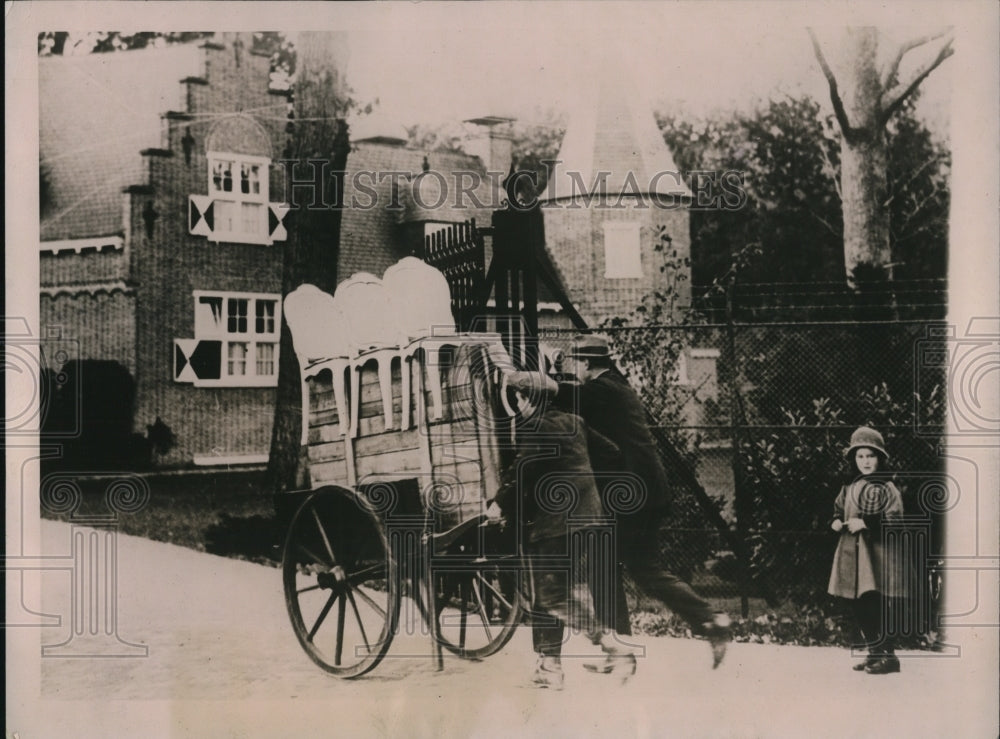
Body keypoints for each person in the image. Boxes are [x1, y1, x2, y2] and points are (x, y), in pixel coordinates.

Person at [538, 334, 732, 671]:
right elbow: (578, 398)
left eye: (576, 364)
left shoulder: (604, 391)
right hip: (644, 492)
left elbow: (563, 395)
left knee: (623, 567)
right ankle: (703, 623)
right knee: (628, 567)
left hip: (633, 496)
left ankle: (633, 646)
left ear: (585, 364)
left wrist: (544, 371)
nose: (576, 370)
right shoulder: (615, 386)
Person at [487, 373, 636, 690]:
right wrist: (581, 477)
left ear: (526, 399)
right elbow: (610, 452)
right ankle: (549, 666)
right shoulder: (575, 421)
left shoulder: (538, 426)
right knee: (549, 588)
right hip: (589, 518)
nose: (517, 404)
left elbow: (522, 471)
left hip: (558, 522)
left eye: (518, 398)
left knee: (552, 593)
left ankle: (608, 642)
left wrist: (499, 504)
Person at [828, 426, 905, 675]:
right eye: (860, 456)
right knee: (860, 604)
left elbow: (895, 519)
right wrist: (836, 521)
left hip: (879, 555)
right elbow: (838, 509)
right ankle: (874, 654)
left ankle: (889, 657)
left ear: (879, 458)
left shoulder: (886, 486)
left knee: (879, 603)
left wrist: (867, 523)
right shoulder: (850, 486)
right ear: (854, 459)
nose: (865, 462)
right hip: (855, 554)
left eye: (870, 456)